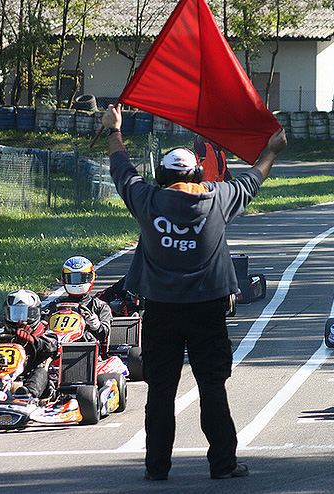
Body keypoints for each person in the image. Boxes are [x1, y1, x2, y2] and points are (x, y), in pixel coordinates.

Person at [101, 103, 287, 481]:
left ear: (160, 176)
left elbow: (121, 168)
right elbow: (254, 177)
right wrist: (272, 149)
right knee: (213, 388)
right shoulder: (218, 199)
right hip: (208, 312)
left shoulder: (146, 199)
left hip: (161, 312)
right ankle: (223, 463)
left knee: (160, 391)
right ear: (199, 173)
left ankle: (157, 467)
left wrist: (113, 129)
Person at [0, 289, 59, 398]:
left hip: (32, 378)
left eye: (27, 314)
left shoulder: (46, 334)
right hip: (3, 375)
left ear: (35, 314)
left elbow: (51, 346)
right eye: (16, 314)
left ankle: (28, 395)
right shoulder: (1, 338)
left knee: (41, 371)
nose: (21, 320)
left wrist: (32, 341)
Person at [46, 256, 112, 347]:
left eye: (81, 278)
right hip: (58, 347)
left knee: (88, 337)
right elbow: (42, 324)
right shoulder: (56, 306)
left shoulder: (100, 306)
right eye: (72, 278)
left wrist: (97, 326)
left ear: (90, 277)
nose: (77, 282)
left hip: (88, 350)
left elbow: (104, 335)